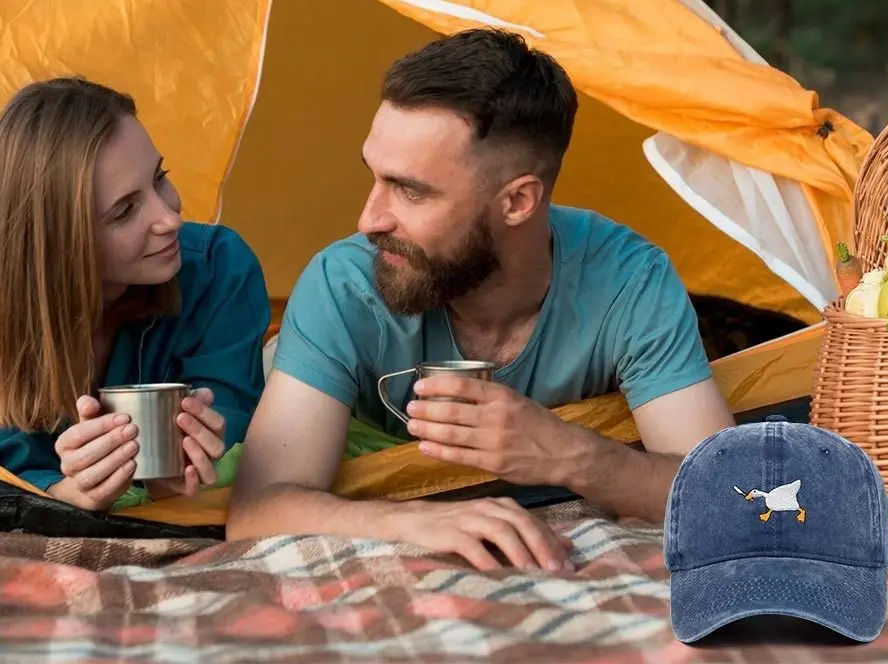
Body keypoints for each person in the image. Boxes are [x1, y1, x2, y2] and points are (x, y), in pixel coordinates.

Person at [227, 29, 735, 569]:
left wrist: (564, 452)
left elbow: (728, 497)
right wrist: (412, 520)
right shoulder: (344, 282)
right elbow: (257, 508)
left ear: (517, 200)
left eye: (411, 189)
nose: (369, 219)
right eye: (373, 177)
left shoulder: (629, 280)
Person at [0, 77, 270, 512]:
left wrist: (183, 471)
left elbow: (233, 424)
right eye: (125, 210)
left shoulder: (218, 269)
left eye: (160, 178)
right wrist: (59, 491)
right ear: (57, 241)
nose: (169, 216)